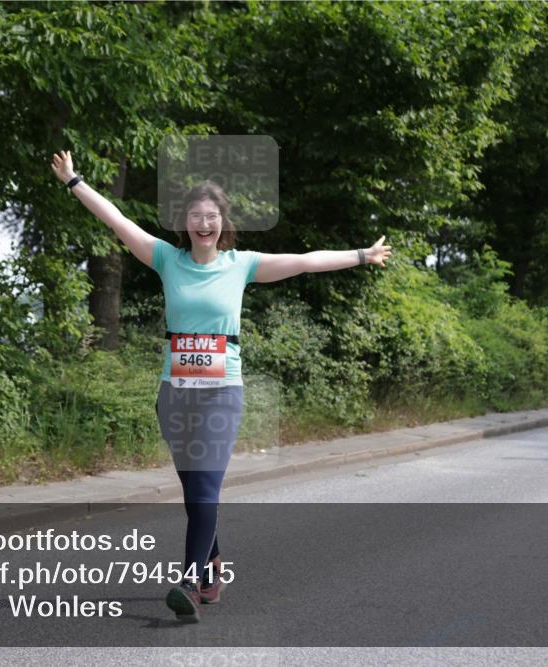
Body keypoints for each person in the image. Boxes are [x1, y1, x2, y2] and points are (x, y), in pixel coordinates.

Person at [50, 149, 392, 621]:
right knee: (195, 494)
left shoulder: (241, 264)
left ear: (222, 222)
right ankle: (210, 569)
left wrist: (361, 255)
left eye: (211, 216)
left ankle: (189, 582)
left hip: (221, 392)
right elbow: (118, 221)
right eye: (195, 216)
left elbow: (306, 261)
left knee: (206, 490)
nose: (203, 223)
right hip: (174, 393)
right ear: (185, 223)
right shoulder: (165, 259)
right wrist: (74, 181)